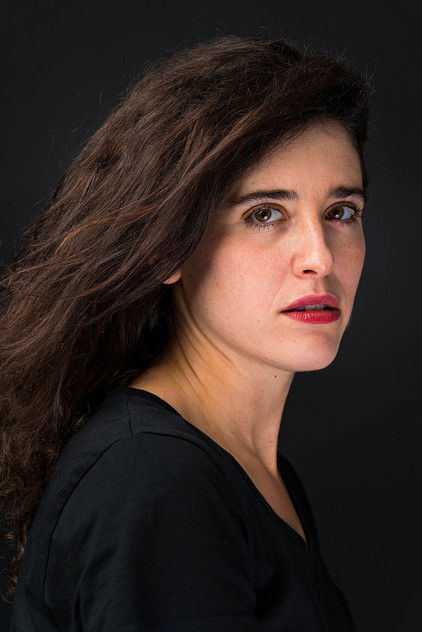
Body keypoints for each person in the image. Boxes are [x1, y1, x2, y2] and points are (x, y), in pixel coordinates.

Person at [1, 32, 374, 631]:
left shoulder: (248, 468)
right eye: (264, 214)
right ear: (168, 248)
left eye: (341, 212)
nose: (321, 258)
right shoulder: (157, 477)